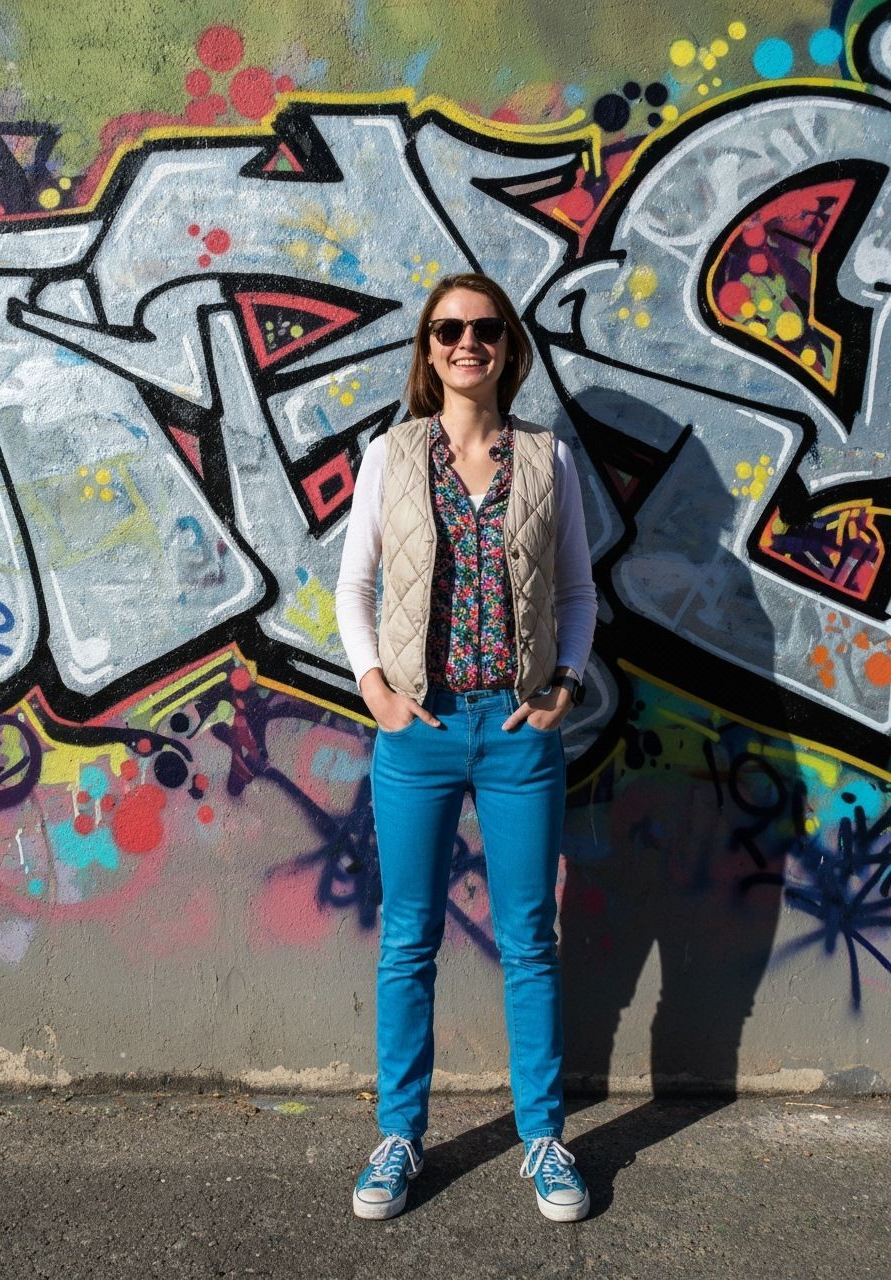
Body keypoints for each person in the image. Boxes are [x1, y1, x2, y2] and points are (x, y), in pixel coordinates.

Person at [335, 272, 597, 1222]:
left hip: (519, 730)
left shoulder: (547, 459)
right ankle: (400, 1135)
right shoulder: (392, 457)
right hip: (424, 729)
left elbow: (576, 590)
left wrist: (565, 683)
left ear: (507, 347)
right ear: (427, 346)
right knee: (409, 939)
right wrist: (378, 692)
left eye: (484, 328)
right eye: (448, 328)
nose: (466, 343)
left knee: (529, 942)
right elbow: (352, 586)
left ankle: (544, 1140)